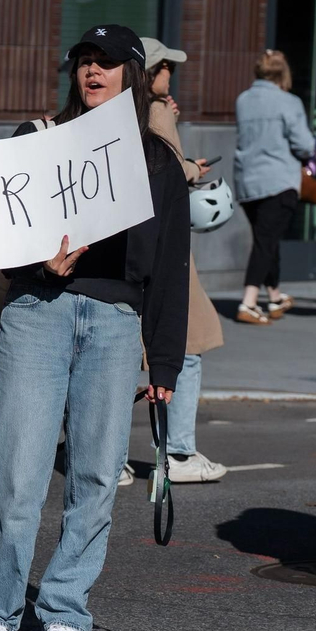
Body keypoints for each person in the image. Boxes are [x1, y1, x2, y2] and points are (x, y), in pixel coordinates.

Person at [0, 24, 189, 631]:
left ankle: (65, 611)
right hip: (38, 311)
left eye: (108, 63)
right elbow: (1, 236)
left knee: (95, 472)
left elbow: (171, 268)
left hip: (117, 322)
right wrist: (43, 266)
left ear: (134, 75)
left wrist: (166, 361)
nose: (93, 72)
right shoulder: (38, 139)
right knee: (17, 469)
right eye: (84, 62)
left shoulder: (157, 161)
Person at [128, 37, 229, 485]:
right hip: (162, 245)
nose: (173, 74)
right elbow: (163, 169)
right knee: (185, 345)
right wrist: (189, 167)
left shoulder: (120, 111)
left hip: (128, 243)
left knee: (115, 349)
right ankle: (179, 452)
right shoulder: (156, 111)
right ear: (152, 71)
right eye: (168, 66)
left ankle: (103, 456)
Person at [233, 50, 315, 325]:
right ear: (283, 74)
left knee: (266, 240)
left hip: (247, 181)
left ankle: (275, 295)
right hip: (278, 180)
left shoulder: (243, 100)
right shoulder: (288, 102)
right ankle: (248, 302)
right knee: (265, 242)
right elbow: (305, 145)